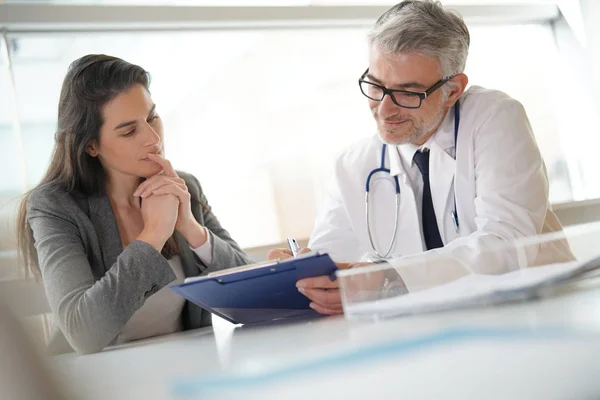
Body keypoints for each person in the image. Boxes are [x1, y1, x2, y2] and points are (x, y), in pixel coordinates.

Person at [268, 0, 572, 315]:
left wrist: (388, 277)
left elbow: (507, 245)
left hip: (537, 314)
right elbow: (330, 264)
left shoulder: (494, 118)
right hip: (433, 332)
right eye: (375, 85)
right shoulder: (353, 165)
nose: (384, 110)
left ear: (453, 90)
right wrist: (303, 276)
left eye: (406, 93)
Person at [16, 54, 252, 354]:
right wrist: (153, 234)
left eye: (152, 118)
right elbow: (83, 332)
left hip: (187, 368)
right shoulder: (55, 207)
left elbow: (252, 296)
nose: (153, 138)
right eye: (129, 131)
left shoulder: (184, 187)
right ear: (90, 145)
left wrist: (191, 229)